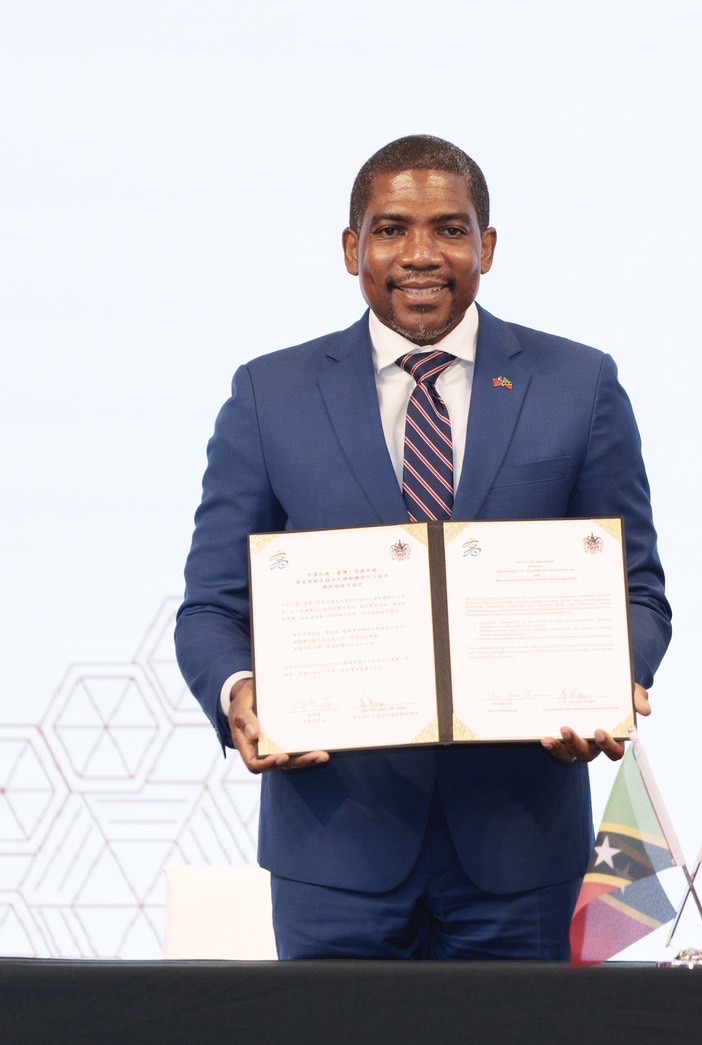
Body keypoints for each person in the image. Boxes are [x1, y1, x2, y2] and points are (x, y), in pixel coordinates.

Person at [175, 135, 670, 960]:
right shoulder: (269, 394)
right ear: (351, 248)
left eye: (448, 229)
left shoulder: (578, 384)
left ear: (486, 246)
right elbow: (211, 608)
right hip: (333, 846)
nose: (419, 254)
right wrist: (239, 692)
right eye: (390, 229)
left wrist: (611, 677)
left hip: (520, 846)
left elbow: (637, 591)